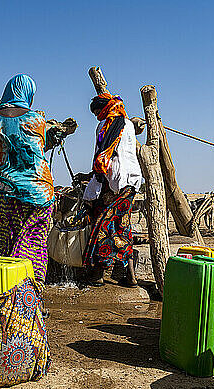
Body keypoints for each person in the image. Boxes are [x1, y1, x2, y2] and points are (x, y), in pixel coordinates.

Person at [0, 74, 55, 284]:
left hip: (6, 194)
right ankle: (32, 299)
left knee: (5, 244)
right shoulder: (37, 119)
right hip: (40, 194)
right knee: (34, 245)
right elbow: (37, 150)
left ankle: (9, 298)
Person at [81, 93, 142, 287]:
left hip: (112, 182)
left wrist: (92, 177)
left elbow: (102, 156)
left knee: (102, 225)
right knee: (123, 226)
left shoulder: (104, 125)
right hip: (130, 182)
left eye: (98, 111)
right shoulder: (128, 124)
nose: (97, 115)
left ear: (104, 108)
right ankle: (130, 276)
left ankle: (98, 273)